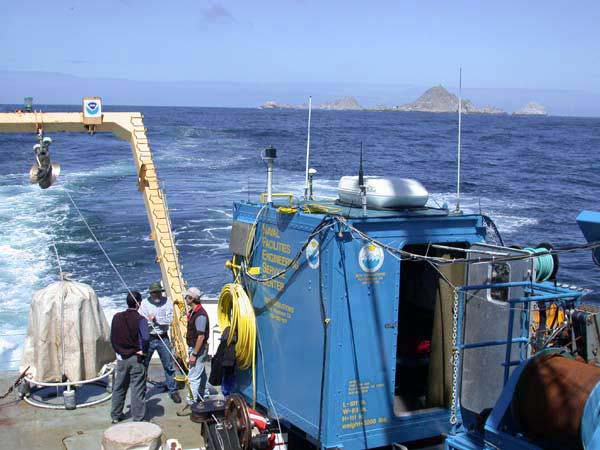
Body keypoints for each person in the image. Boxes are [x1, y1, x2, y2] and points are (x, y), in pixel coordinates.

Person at [110, 291, 149, 423]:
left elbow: (112, 338)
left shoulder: (116, 317)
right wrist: (142, 351)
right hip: (135, 358)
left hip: (121, 358)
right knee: (137, 389)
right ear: (139, 303)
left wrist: (119, 351)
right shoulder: (141, 320)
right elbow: (145, 337)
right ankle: (138, 418)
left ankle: (115, 415)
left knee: (119, 387)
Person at [139, 281, 182, 404]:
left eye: (158, 292)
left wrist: (156, 320)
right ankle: (141, 391)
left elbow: (169, 320)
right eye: (154, 293)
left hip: (163, 337)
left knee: (168, 365)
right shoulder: (144, 304)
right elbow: (142, 322)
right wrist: (149, 321)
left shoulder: (167, 302)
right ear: (151, 293)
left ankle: (172, 390)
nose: (157, 295)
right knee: (144, 366)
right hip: (149, 338)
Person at [185, 287, 210, 404]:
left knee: (193, 376)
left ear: (192, 299)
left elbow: (201, 337)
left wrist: (194, 354)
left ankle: (191, 401)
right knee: (201, 373)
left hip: (198, 349)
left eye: (187, 297)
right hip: (197, 348)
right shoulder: (194, 312)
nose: (185, 299)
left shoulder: (200, 315)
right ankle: (204, 394)